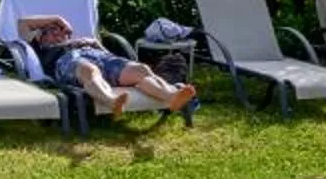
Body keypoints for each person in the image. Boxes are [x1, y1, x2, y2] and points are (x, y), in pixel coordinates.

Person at [16, 14, 196, 118]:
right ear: (41, 36)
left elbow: (109, 57)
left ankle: (171, 96)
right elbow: (23, 23)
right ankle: (112, 101)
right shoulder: (42, 46)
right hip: (68, 61)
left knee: (141, 70)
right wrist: (58, 19)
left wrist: (94, 44)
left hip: (100, 56)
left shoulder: (82, 41)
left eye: (63, 32)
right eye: (53, 31)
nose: (60, 35)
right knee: (90, 71)